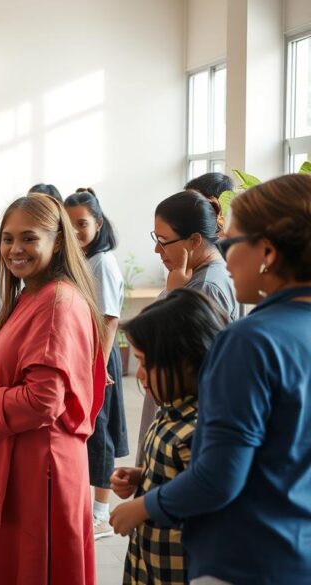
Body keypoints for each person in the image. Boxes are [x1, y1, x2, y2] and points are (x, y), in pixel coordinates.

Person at [111, 173, 311, 583]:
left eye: (230, 243)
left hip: (247, 558)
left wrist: (144, 506)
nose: (222, 255)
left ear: (268, 252)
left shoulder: (252, 341)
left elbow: (219, 477)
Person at [0, 194, 103, 584]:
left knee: (38, 565)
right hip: (17, 454)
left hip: (40, 463)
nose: (14, 249)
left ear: (56, 242)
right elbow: (27, 373)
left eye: (29, 238)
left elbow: (44, 401)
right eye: (7, 239)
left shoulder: (57, 303)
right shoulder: (29, 294)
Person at [110, 289, 228, 585]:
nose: (139, 374)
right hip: (147, 564)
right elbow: (180, 477)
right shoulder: (171, 409)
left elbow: (204, 494)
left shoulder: (203, 429)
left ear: (187, 362)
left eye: (145, 363)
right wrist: (143, 477)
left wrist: (142, 505)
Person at [136, 190, 240, 462]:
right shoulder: (192, 276)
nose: (157, 250)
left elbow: (187, 360)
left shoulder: (205, 286)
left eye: (163, 241)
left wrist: (174, 297)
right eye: (155, 239)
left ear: (195, 240)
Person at [64, 188, 129, 539]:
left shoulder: (102, 262)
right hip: (83, 358)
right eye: (69, 223)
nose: (75, 231)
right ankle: (89, 508)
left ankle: (101, 514)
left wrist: (98, 368)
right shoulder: (82, 258)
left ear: (98, 223)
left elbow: (109, 319)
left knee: (100, 434)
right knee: (89, 430)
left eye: (82, 224)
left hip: (98, 359)